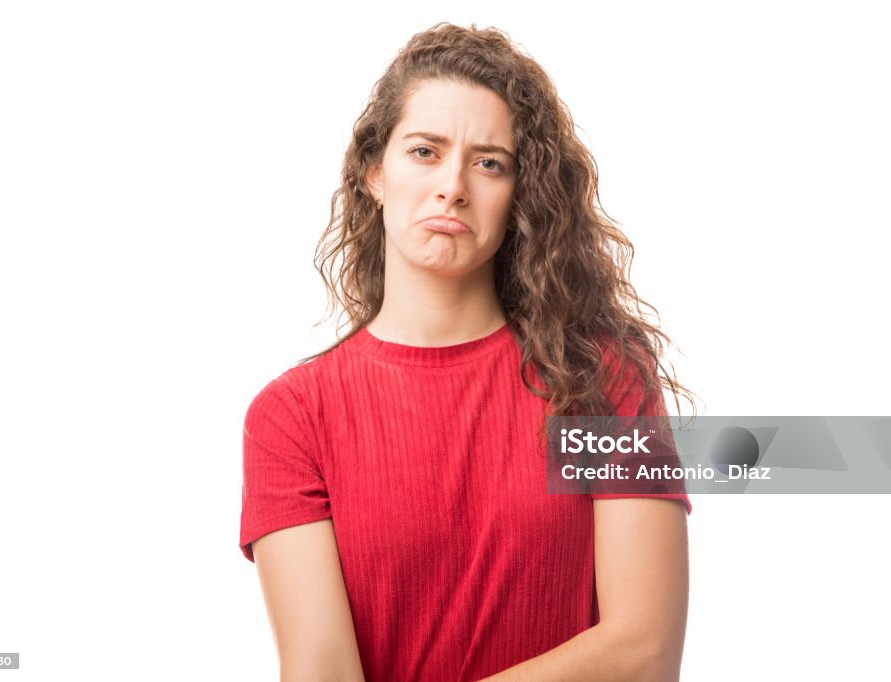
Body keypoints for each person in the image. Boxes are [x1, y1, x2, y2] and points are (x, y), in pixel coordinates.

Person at [239, 22, 697, 681]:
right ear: (375, 172)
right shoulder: (292, 417)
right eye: (425, 151)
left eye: (489, 163)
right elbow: (321, 671)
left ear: (519, 198)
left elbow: (644, 651)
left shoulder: (601, 379)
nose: (453, 185)